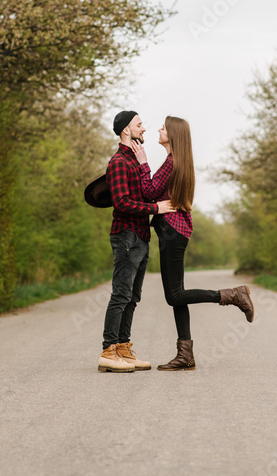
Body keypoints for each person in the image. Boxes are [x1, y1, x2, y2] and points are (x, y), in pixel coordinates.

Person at [134, 115, 254, 371]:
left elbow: (149, 193)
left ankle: (233, 295)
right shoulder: (178, 161)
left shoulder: (171, 162)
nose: (158, 129)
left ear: (173, 134)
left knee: (174, 295)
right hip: (176, 230)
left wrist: (143, 163)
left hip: (171, 231)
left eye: (163, 127)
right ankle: (185, 355)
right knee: (178, 296)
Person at [98, 110, 175, 373]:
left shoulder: (135, 159)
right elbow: (121, 203)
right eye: (139, 125)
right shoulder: (118, 161)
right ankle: (108, 350)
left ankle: (123, 348)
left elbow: (146, 190)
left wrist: (146, 168)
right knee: (121, 294)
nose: (144, 128)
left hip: (141, 236)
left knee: (132, 296)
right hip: (126, 235)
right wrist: (156, 209)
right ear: (126, 131)